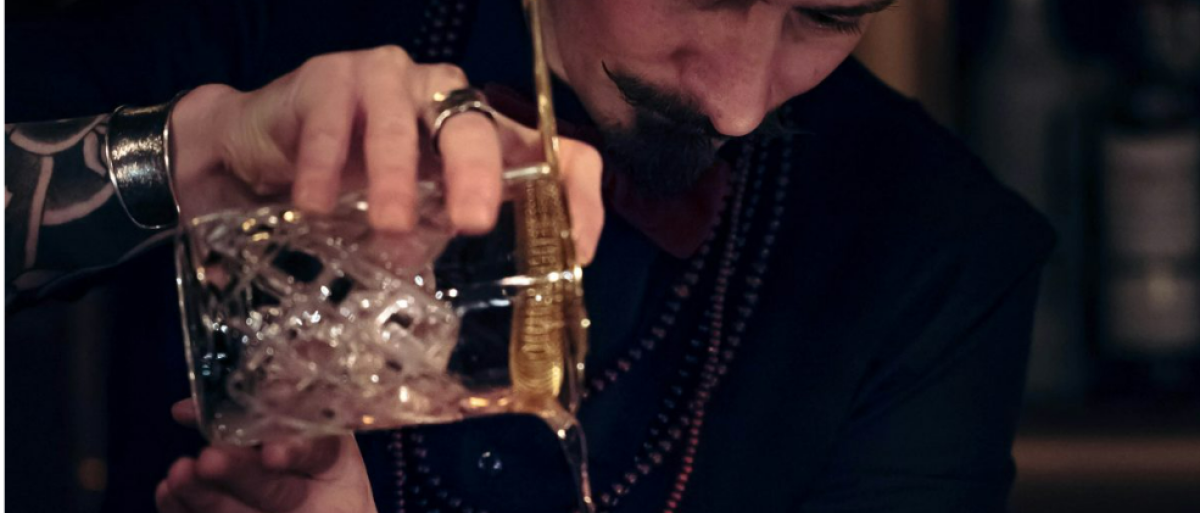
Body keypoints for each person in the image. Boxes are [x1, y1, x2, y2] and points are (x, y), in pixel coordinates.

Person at [5, 0, 1055, 512]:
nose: (736, 99)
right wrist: (188, 158)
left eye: (827, 14)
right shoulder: (256, 8)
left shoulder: (942, 252)